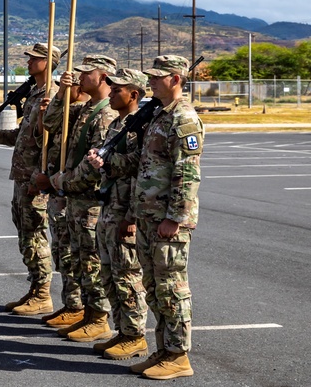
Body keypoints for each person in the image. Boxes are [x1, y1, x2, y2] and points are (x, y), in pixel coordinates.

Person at [53, 68, 150, 361]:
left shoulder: (136, 129)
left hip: (122, 210)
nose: (112, 91)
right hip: (110, 207)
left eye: (118, 88)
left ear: (133, 95)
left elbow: (137, 172)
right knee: (109, 273)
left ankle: (135, 335)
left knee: (127, 276)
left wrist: (131, 216)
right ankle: (122, 331)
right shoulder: (120, 125)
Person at [127, 55, 202, 380]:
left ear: (176, 79)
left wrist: (175, 217)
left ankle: (179, 355)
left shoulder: (183, 118)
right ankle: (164, 350)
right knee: (154, 287)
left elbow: (187, 174)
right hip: (149, 215)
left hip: (167, 220)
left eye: (157, 77)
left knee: (171, 288)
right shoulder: (159, 115)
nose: (151, 82)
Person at [39, 54, 118, 343]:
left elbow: (93, 165)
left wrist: (60, 181)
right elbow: (50, 123)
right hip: (75, 197)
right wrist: (62, 91)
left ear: (103, 77)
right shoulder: (86, 108)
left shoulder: (106, 113)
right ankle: (86, 312)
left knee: (91, 262)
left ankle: (98, 318)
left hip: (90, 199)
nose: (80, 77)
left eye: (87, 73)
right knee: (78, 258)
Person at [0, 43, 59, 316]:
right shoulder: (35, 94)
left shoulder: (53, 95)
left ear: (48, 62)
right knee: (26, 233)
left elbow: (49, 138)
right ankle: (35, 286)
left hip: (36, 176)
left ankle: (43, 293)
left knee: (35, 234)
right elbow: (22, 136)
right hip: (23, 173)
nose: (29, 62)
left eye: (35, 58)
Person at [37, 73, 88, 330]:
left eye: (72, 85)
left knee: (75, 255)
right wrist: (58, 96)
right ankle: (72, 304)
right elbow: (48, 123)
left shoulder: (83, 112)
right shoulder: (69, 108)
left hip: (73, 190)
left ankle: (79, 306)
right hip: (61, 190)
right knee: (63, 252)